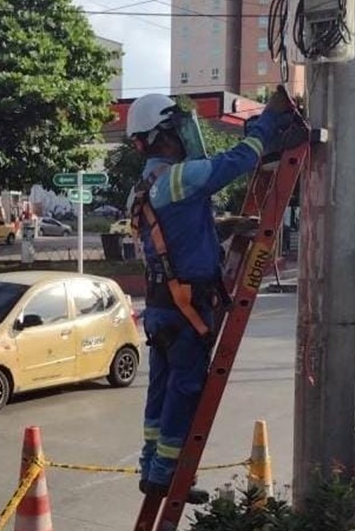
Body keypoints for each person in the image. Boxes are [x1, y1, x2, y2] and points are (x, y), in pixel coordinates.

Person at [126, 89, 298, 501]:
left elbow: (172, 234)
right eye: (178, 129)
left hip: (162, 307)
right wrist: (268, 121)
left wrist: (222, 228)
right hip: (188, 308)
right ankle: (169, 473)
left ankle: (153, 468)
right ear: (163, 135)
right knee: (185, 391)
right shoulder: (180, 177)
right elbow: (239, 160)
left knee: (163, 388)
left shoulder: (142, 189)